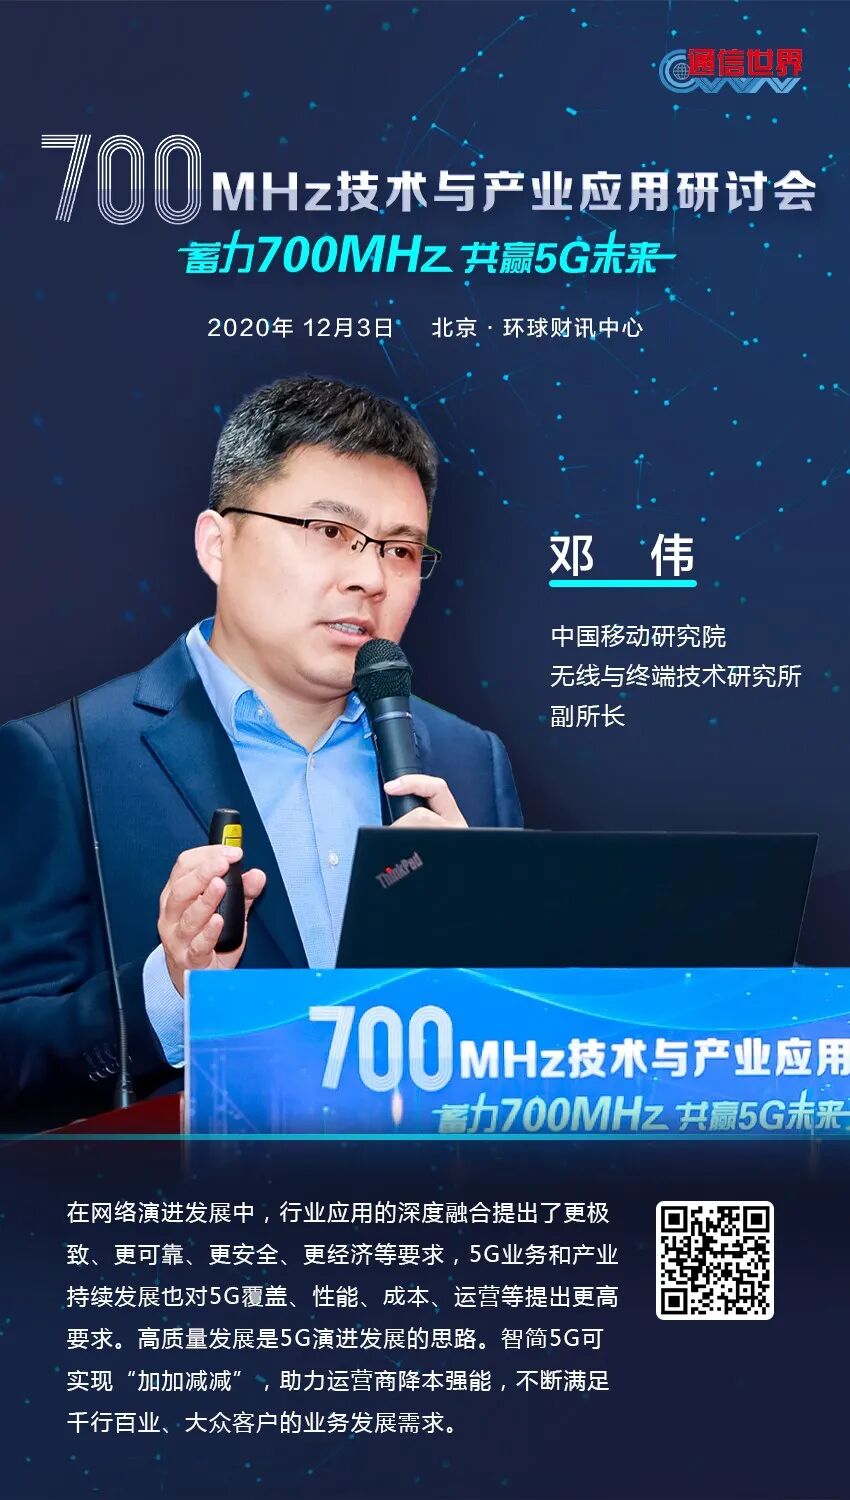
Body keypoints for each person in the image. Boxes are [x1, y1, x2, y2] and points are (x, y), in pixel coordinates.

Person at [0, 375, 522, 1130]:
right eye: (329, 532)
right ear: (217, 545)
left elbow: (533, 1045)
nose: (369, 578)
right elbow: (12, 1066)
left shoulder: (470, 762)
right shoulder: (65, 757)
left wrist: (484, 948)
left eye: (401, 550)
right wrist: (172, 989)